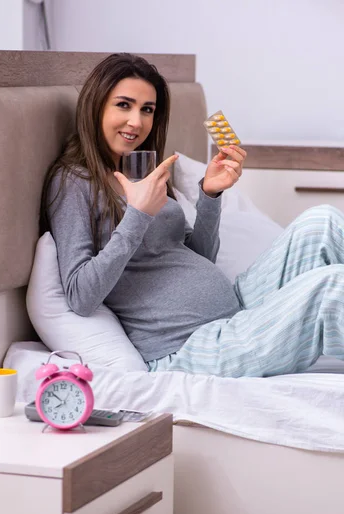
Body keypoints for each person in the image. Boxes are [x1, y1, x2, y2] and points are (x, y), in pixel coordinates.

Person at [41, 52, 344, 378]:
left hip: (237, 311)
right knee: (331, 287)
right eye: (124, 105)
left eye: (147, 110)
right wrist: (137, 216)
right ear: (95, 105)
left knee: (321, 222)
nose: (137, 122)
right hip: (190, 347)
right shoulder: (74, 181)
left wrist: (210, 196)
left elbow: (196, 255)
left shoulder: (142, 169)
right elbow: (80, 296)